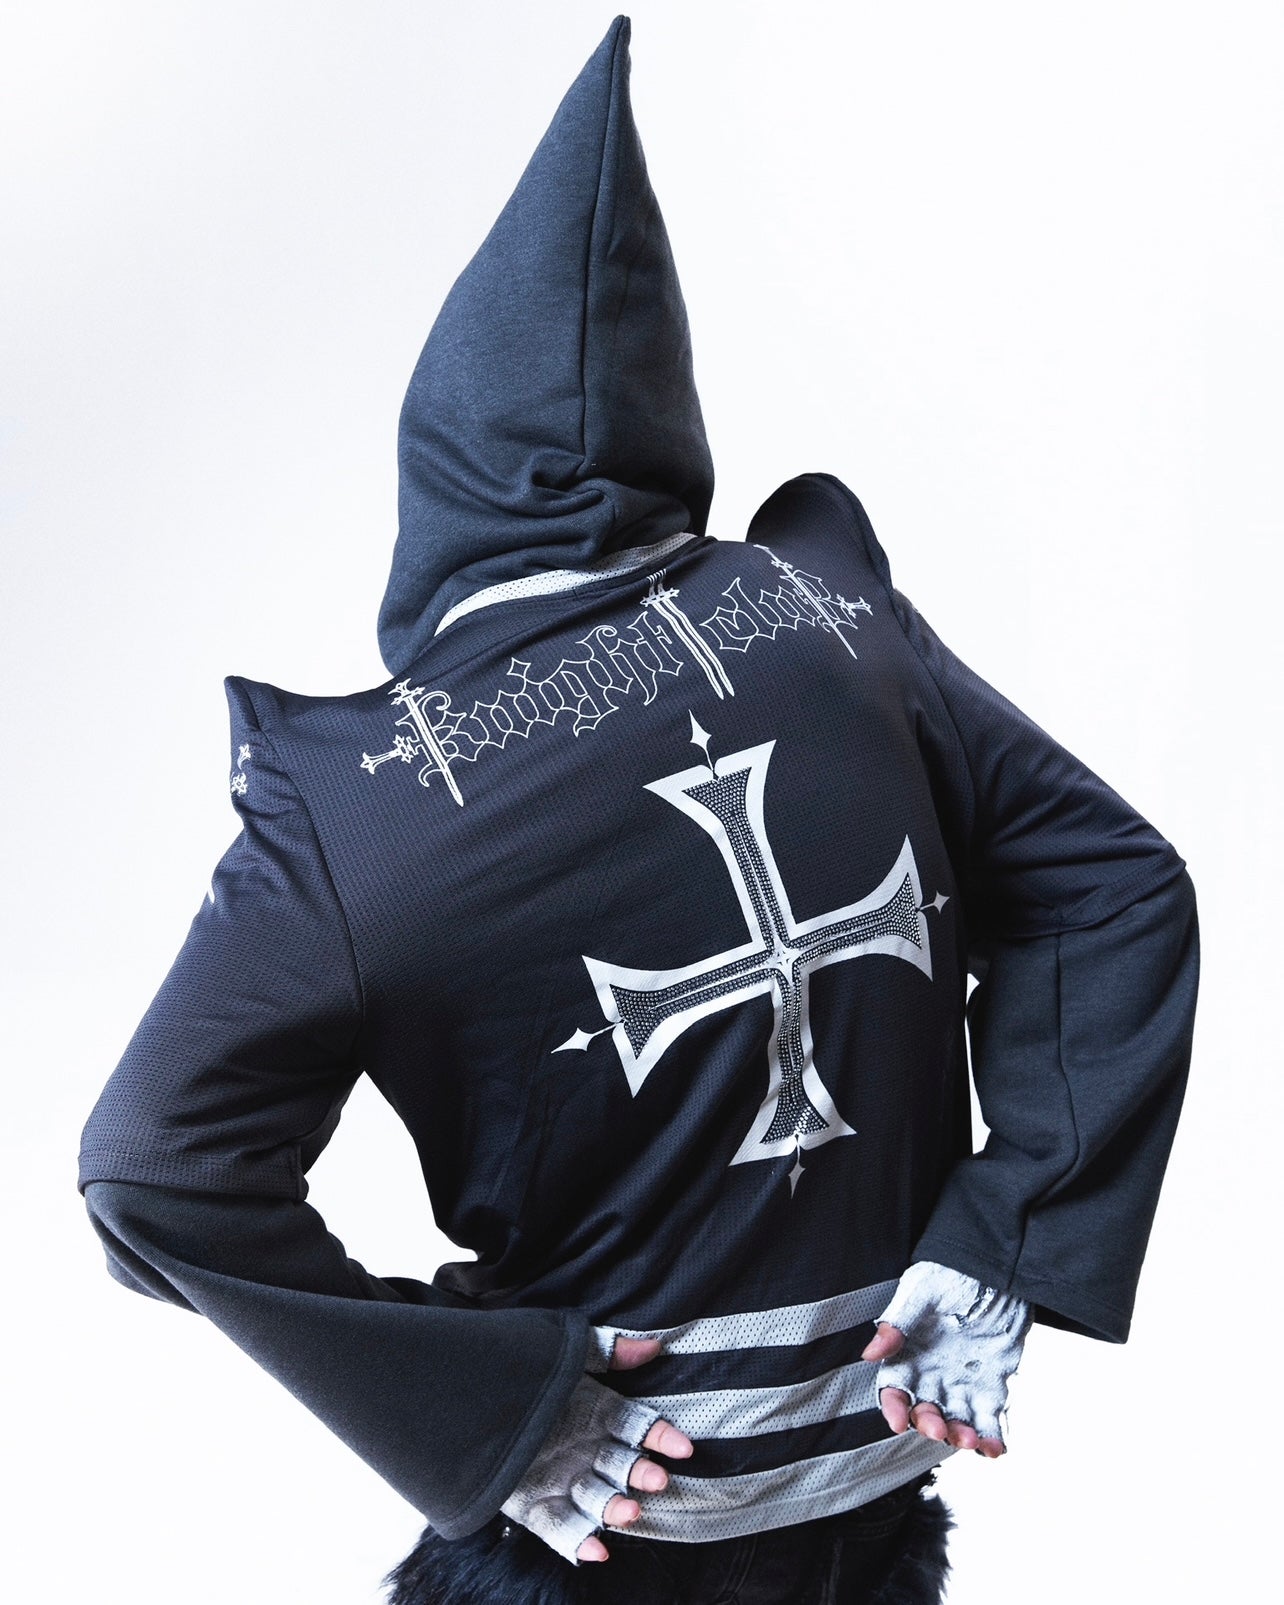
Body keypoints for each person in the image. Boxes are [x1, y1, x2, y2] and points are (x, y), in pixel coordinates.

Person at [77, 16, 1200, 1604]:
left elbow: (150, 1168)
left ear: (440, 459)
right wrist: (1003, 1235)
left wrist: (495, 1414)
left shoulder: (361, 811)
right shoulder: (846, 630)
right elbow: (1116, 884)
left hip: (600, 1541)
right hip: (868, 1520)